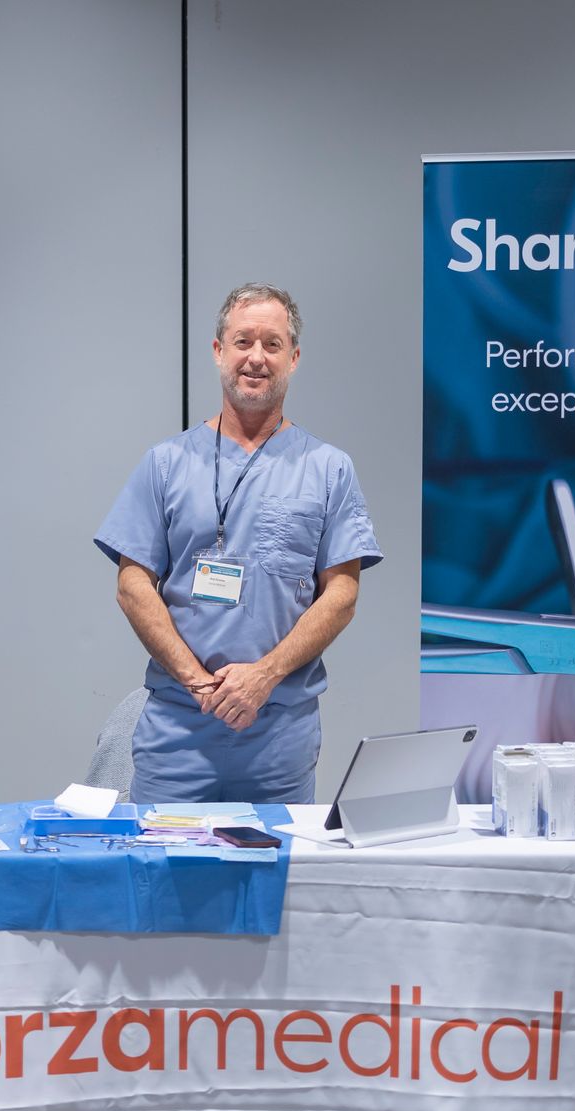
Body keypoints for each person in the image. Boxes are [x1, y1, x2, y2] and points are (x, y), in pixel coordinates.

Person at [94, 283, 381, 803]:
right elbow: (132, 584)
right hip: (179, 731)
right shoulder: (166, 463)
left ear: (293, 359)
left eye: (272, 344)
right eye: (243, 341)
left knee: (274, 879)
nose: (256, 357)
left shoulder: (329, 469)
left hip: (278, 737)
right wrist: (200, 684)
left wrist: (264, 677)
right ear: (217, 351)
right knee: (163, 872)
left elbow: (341, 594)